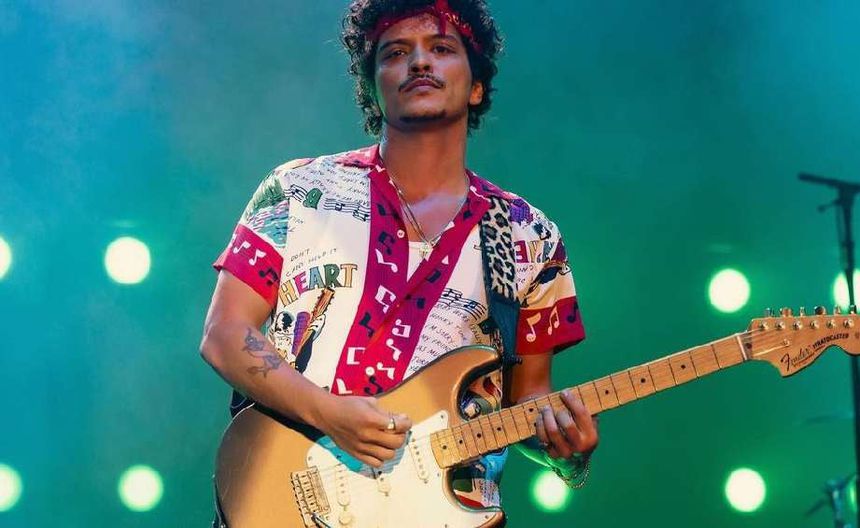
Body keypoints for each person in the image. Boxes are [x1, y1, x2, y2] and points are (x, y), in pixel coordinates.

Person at [199, 0, 598, 523]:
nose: (420, 62)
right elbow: (225, 334)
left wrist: (566, 453)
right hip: (287, 501)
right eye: (395, 52)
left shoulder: (529, 234)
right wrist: (329, 413)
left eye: (441, 48)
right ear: (371, 88)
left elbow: (527, 401)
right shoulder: (298, 191)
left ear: (477, 85)